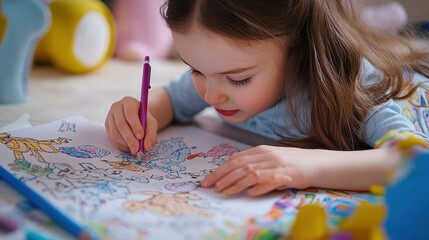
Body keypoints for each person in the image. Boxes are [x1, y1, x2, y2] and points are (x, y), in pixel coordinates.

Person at [105, 1, 429, 197]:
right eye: (195, 70)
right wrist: (141, 113)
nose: (210, 93)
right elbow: (172, 100)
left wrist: (307, 165)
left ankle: (375, 23)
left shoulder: (356, 88)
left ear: (298, 50)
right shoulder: (216, 72)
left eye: (238, 79)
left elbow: (413, 161)